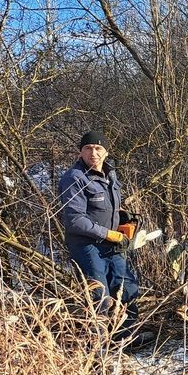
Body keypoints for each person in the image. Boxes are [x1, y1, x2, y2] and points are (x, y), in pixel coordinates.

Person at [57, 131, 143, 341]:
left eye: (98, 148)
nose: (93, 153)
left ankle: (125, 338)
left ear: (106, 152)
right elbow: (75, 220)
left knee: (127, 287)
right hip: (87, 246)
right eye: (87, 148)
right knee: (99, 296)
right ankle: (98, 349)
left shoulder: (110, 174)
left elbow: (104, 205)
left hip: (112, 245)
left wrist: (121, 217)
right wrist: (109, 233)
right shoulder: (74, 178)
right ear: (80, 152)